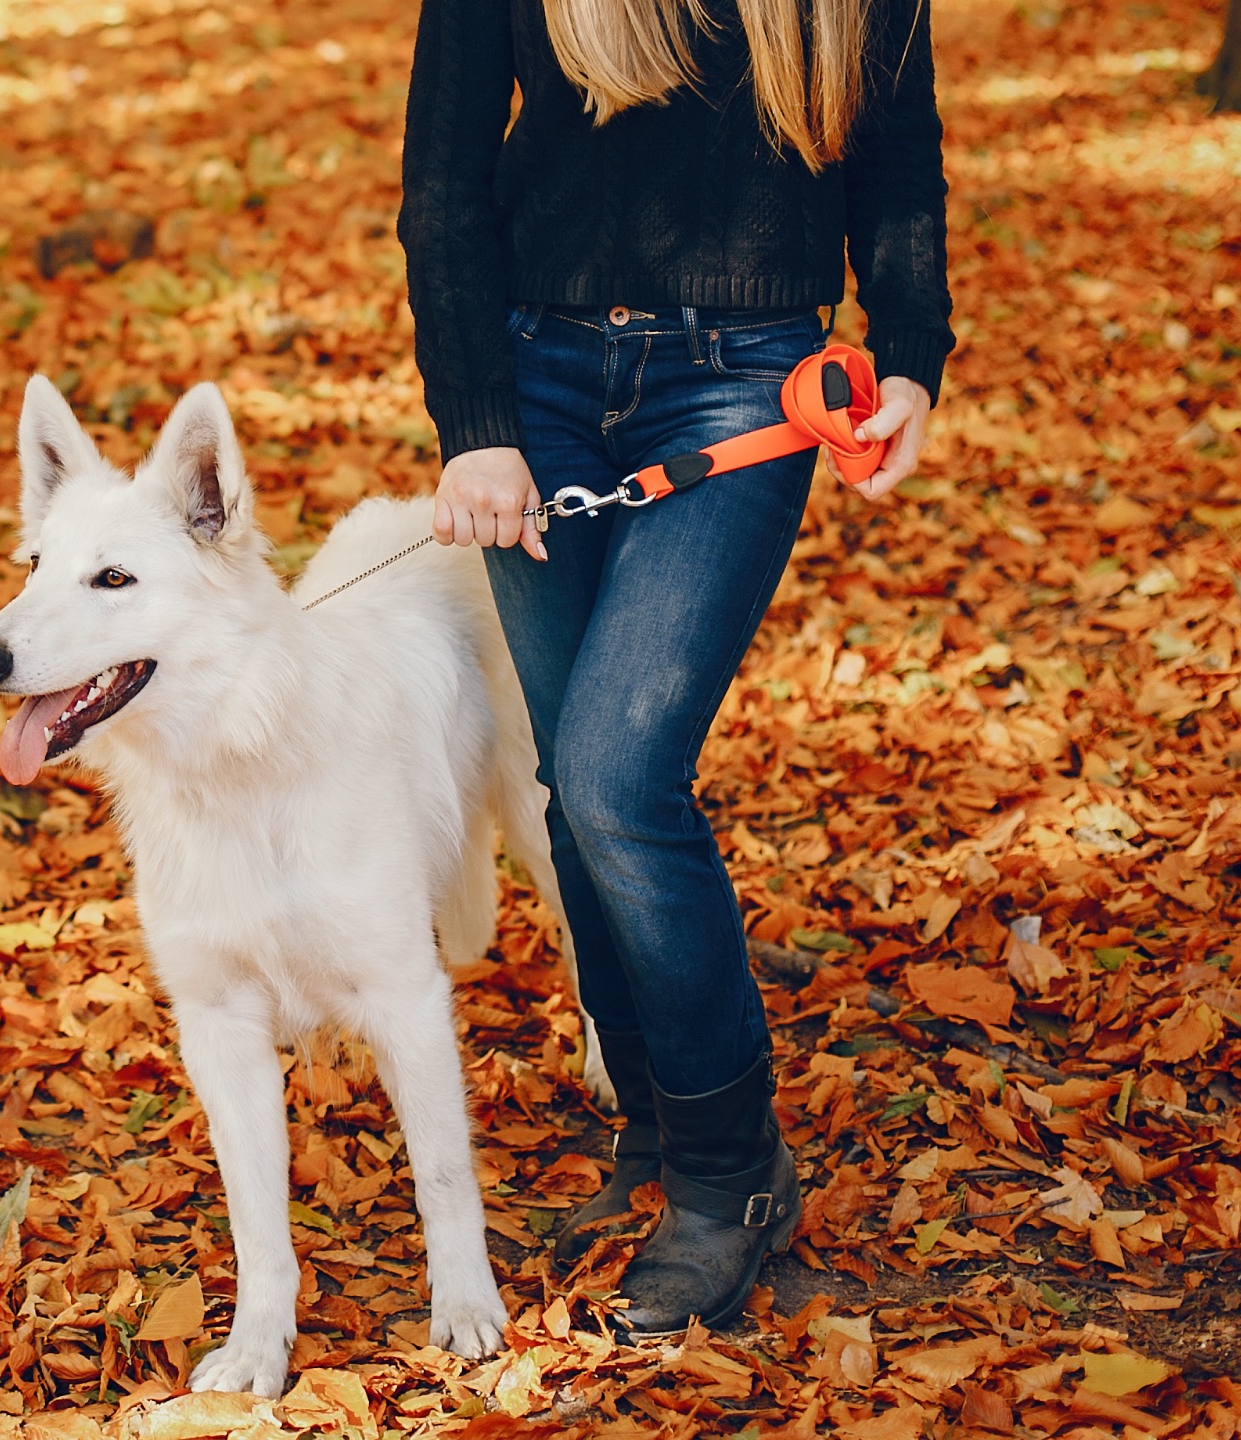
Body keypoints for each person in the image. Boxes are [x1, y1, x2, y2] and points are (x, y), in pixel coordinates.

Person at [399, 0, 953, 1337]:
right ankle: (655, 1138)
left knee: (616, 775)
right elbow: (442, 181)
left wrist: (913, 353)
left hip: (746, 379)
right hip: (535, 384)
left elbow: (897, 157)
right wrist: (475, 424)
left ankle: (729, 1179)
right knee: (573, 794)